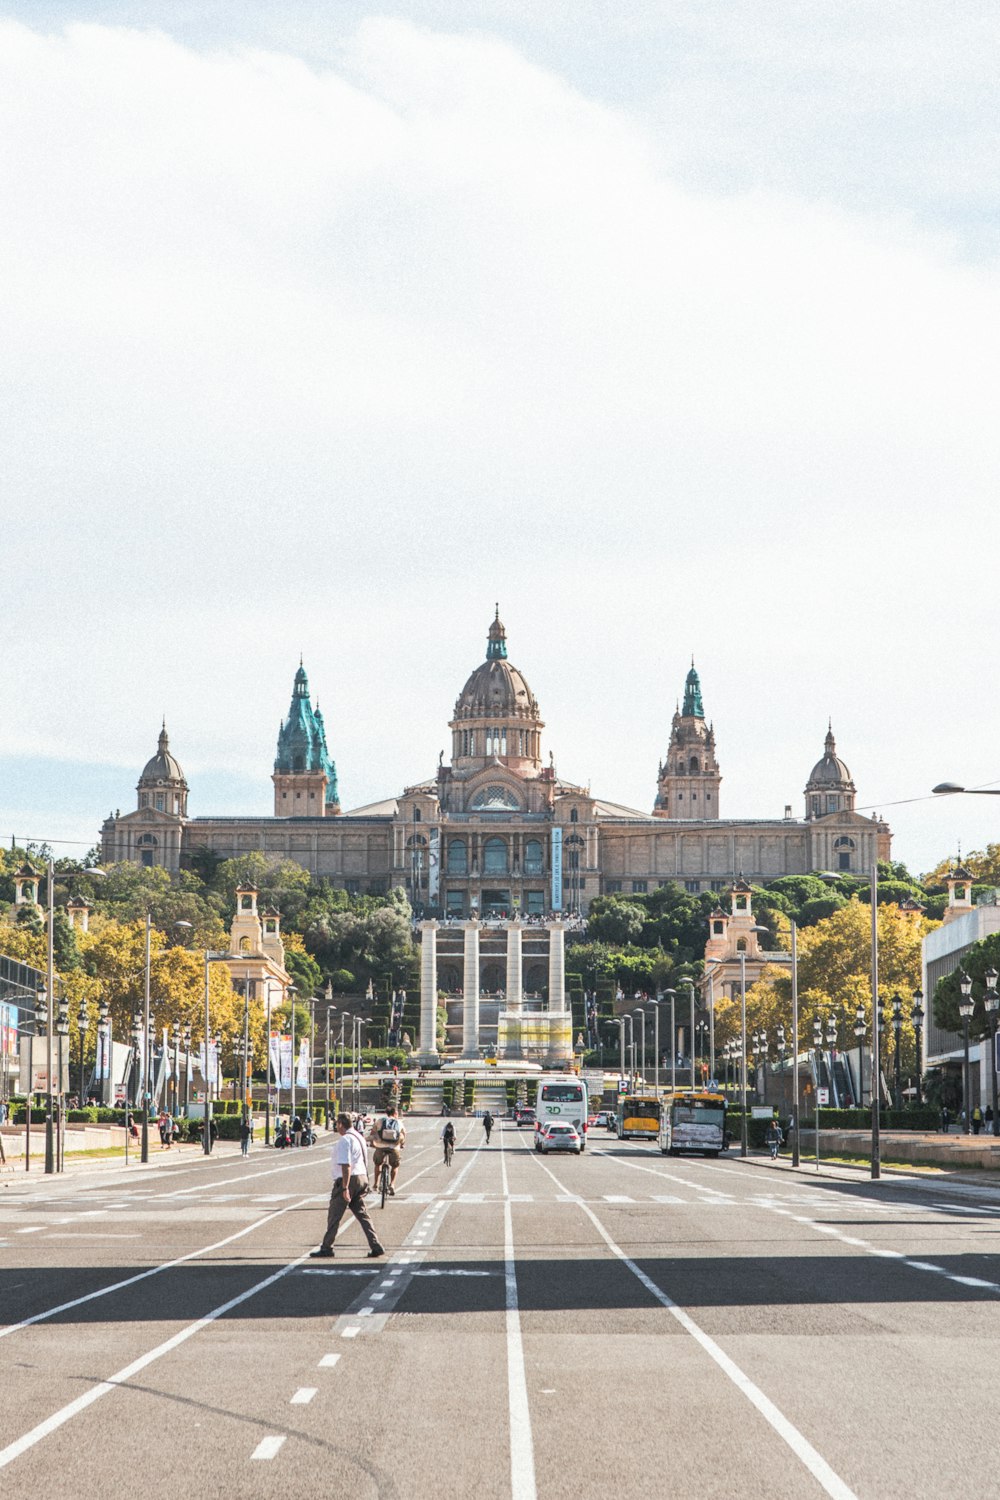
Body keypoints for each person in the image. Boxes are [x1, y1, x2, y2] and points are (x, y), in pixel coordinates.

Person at [310, 1112, 385, 1260]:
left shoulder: (345, 1140)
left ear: (340, 1124)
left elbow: (346, 1165)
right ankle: (375, 1245)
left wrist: (344, 1188)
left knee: (334, 1215)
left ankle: (327, 1247)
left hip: (349, 1180)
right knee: (362, 1215)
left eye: (336, 1123)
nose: (336, 1126)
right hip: (362, 1177)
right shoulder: (359, 1137)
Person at [370, 1103, 406, 1195]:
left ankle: (375, 1184)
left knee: (378, 1164)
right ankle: (392, 1185)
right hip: (394, 1147)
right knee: (395, 1165)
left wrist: (372, 1143)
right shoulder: (399, 1122)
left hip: (380, 1146)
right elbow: (403, 1134)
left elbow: (373, 1132)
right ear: (395, 1113)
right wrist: (402, 1144)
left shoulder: (380, 1121)